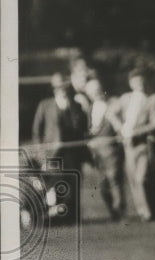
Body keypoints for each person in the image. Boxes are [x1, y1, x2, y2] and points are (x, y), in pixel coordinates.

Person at [32, 73, 89, 222]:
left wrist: (73, 107)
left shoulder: (76, 105)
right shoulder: (45, 104)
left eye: (65, 87)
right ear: (54, 89)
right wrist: (41, 151)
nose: (62, 90)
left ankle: (74, 216)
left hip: (72, 152)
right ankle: (57, 216)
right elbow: (37, 130)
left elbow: (81, 127)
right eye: (59, 88)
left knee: (73, 182)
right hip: (52, 152)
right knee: (55, 184)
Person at [119, 69, 155, 221]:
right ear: (131, 83)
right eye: (136, 82)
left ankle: (151, 212)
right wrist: (121, 128)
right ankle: (143, 211)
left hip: (143, 144)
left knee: (141, 177)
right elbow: (110, 113)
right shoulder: (125, 98)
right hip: (128, 146)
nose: (140, 84)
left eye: (142, 81)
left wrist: (135, 132)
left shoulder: (152, 99)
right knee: (133, 180)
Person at [84, 77, 126, 221]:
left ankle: (120, 210)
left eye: (97, 90)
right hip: (96, 151)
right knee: (102, 183)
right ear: (88, 94)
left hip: (111, 149)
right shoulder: (90, 108)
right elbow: (88, 130)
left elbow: (119, 127)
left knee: (114, 179)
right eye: (92, 91)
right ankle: (113, 211)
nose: (96, 93)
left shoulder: (111, 105)